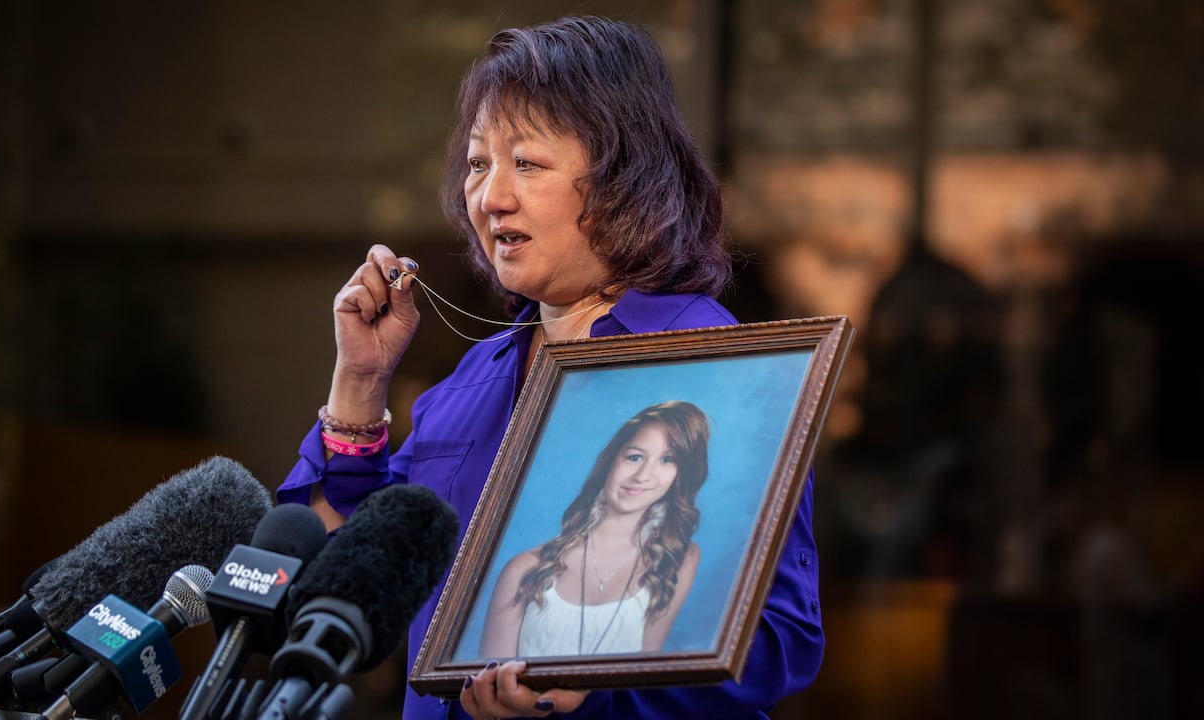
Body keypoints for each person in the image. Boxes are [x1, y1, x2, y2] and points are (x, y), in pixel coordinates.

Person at [277, 15, 824, 719]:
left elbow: (780, 640)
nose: (491, 197)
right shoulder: (475, 377)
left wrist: (592, 685)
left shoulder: (722, 369)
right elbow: (342, 577)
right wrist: (359, 382)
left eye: (527, 163)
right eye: (478, 163)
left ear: (622, 178)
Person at [480, 401, 709, 659]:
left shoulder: (677, 559)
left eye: (667, 460)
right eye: (635, 457)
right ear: (611, 461)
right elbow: (490, 678)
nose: (643, 475)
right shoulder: (523, 570)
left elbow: (643, 668)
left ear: (681, 474)